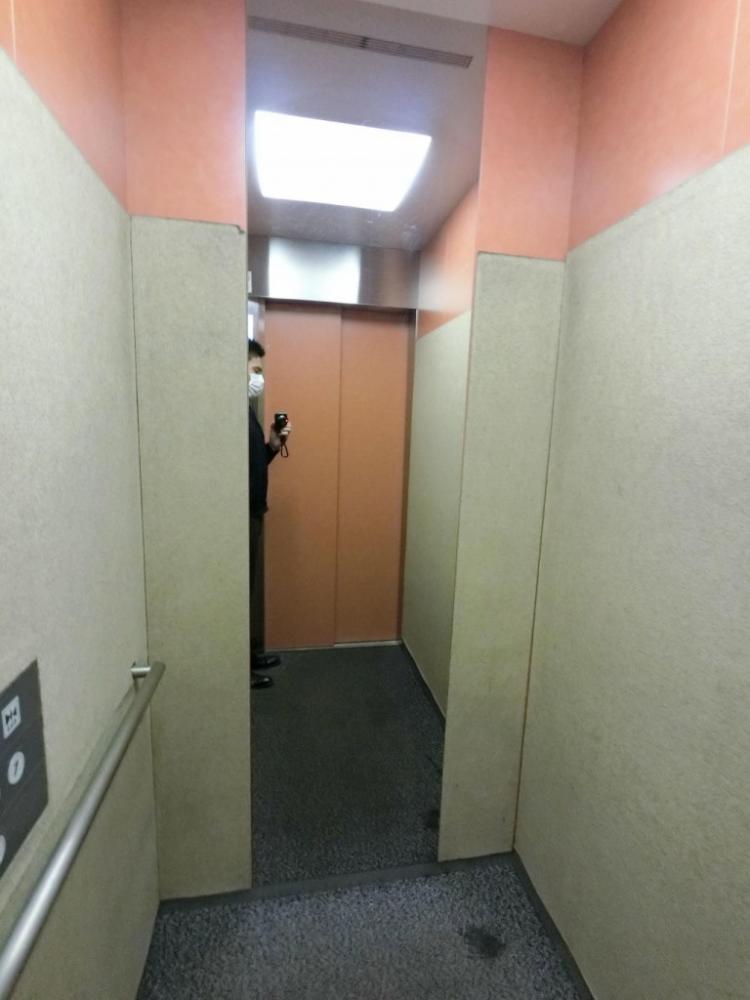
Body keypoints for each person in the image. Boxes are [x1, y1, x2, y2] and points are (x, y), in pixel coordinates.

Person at [248, 338, 291, 689]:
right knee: (241, 589)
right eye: (255, 370)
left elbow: (253, 461)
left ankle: (248, 655)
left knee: (248, 588)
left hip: (252, 511)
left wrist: (274, 447)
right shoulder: (229, 412)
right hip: (241, 514)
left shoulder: (246, 410)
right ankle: (240, 671)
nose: (260, 378)